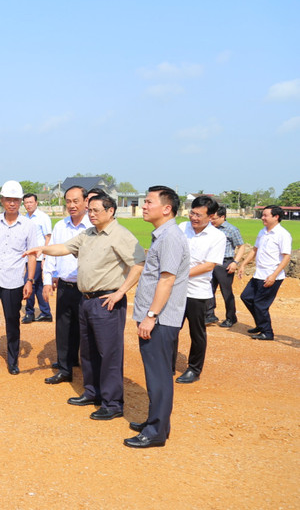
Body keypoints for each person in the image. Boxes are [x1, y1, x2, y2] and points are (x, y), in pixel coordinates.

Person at [25, 193, 145, 420]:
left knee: (109, 353)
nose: (91, 214)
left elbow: (138, 263)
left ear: (110, 211)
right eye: (89, 210)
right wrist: (41, 249)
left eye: (95, 210)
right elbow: (63, 248)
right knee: (88, 352)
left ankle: (112, 403)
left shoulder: (120, 234)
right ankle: (93, 392)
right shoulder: (88, 234)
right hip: (86, 300)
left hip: (107, 301)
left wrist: (121, 292)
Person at [126, 186, 189, 449]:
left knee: (159, 375)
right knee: (156, 373)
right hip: (157, 317)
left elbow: (167, 279)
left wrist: (151, 316)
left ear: (166, 208)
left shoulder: (170, 237)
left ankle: (156, 431)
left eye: (149, 201)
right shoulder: (162, 235)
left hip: (160, 319)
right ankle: (157, 420)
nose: (143, 205)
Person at [0, 180, 42, 375]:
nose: (12, 203)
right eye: (8, 199)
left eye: (16, 200)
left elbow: (31, 255)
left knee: (12, 321)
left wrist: (29, 280)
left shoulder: (28, 225)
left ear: (20, 201)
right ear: (2, 200)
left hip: (13, 281)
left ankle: (13, 361)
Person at [41, 185, 91, 385]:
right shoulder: (60, 226)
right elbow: (52, 253)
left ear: (86, 201)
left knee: (84, 330)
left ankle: (84, 367)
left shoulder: (92, 226)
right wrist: (47, 280)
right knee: (63, 328)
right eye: (68, 201)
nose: (71, 205)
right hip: (64, 284)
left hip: (86, 287)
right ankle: (64, 368)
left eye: (76, 201)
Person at [175, 196, 225, 384]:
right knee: (171, 329)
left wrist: (179, 274)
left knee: (196, 333)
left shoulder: (217, 237)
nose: (193, 218)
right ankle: (168, 363)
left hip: (198, 292)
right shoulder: (181, 228)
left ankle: (194, 369)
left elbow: (208, 265)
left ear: (211, 216)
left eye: (199, 215)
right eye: (192, 213)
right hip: (175, 290)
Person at [236, 205, 292, 341]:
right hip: (258, 274)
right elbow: (255, 250)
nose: (262, 218)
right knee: (246, 297)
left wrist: (273, 275)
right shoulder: (263, 231)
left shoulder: (283, 234)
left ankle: (267, 332)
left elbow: (286, 257)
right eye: (263, 215)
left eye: (265, 215)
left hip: (271, 276)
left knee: (261, 304)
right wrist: (243, 264)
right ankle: (260, 325)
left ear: (276, 217)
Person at [209, 206, 245, 328]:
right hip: (210, 263)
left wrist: (235, 262)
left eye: (214, 218)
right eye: (210, 218)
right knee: (208, 289)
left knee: (226, 292)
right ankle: (209, 315)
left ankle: (231, 317)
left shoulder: (232, 230)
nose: (212, 221)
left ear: (223, 217)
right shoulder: (209, 228)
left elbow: (241, 247)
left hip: (225, 263)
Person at [22, 192, 52, 323]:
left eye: (30, 202)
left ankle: (29, 313)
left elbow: (48, 238)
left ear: (36, 203)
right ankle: (46, 312)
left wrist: (45, 257)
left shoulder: (43, 218)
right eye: (26, 203)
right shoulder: (24, 218)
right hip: (28, 257)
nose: (28, 205)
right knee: (39, 286)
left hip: (38, 258)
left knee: (29, 283)